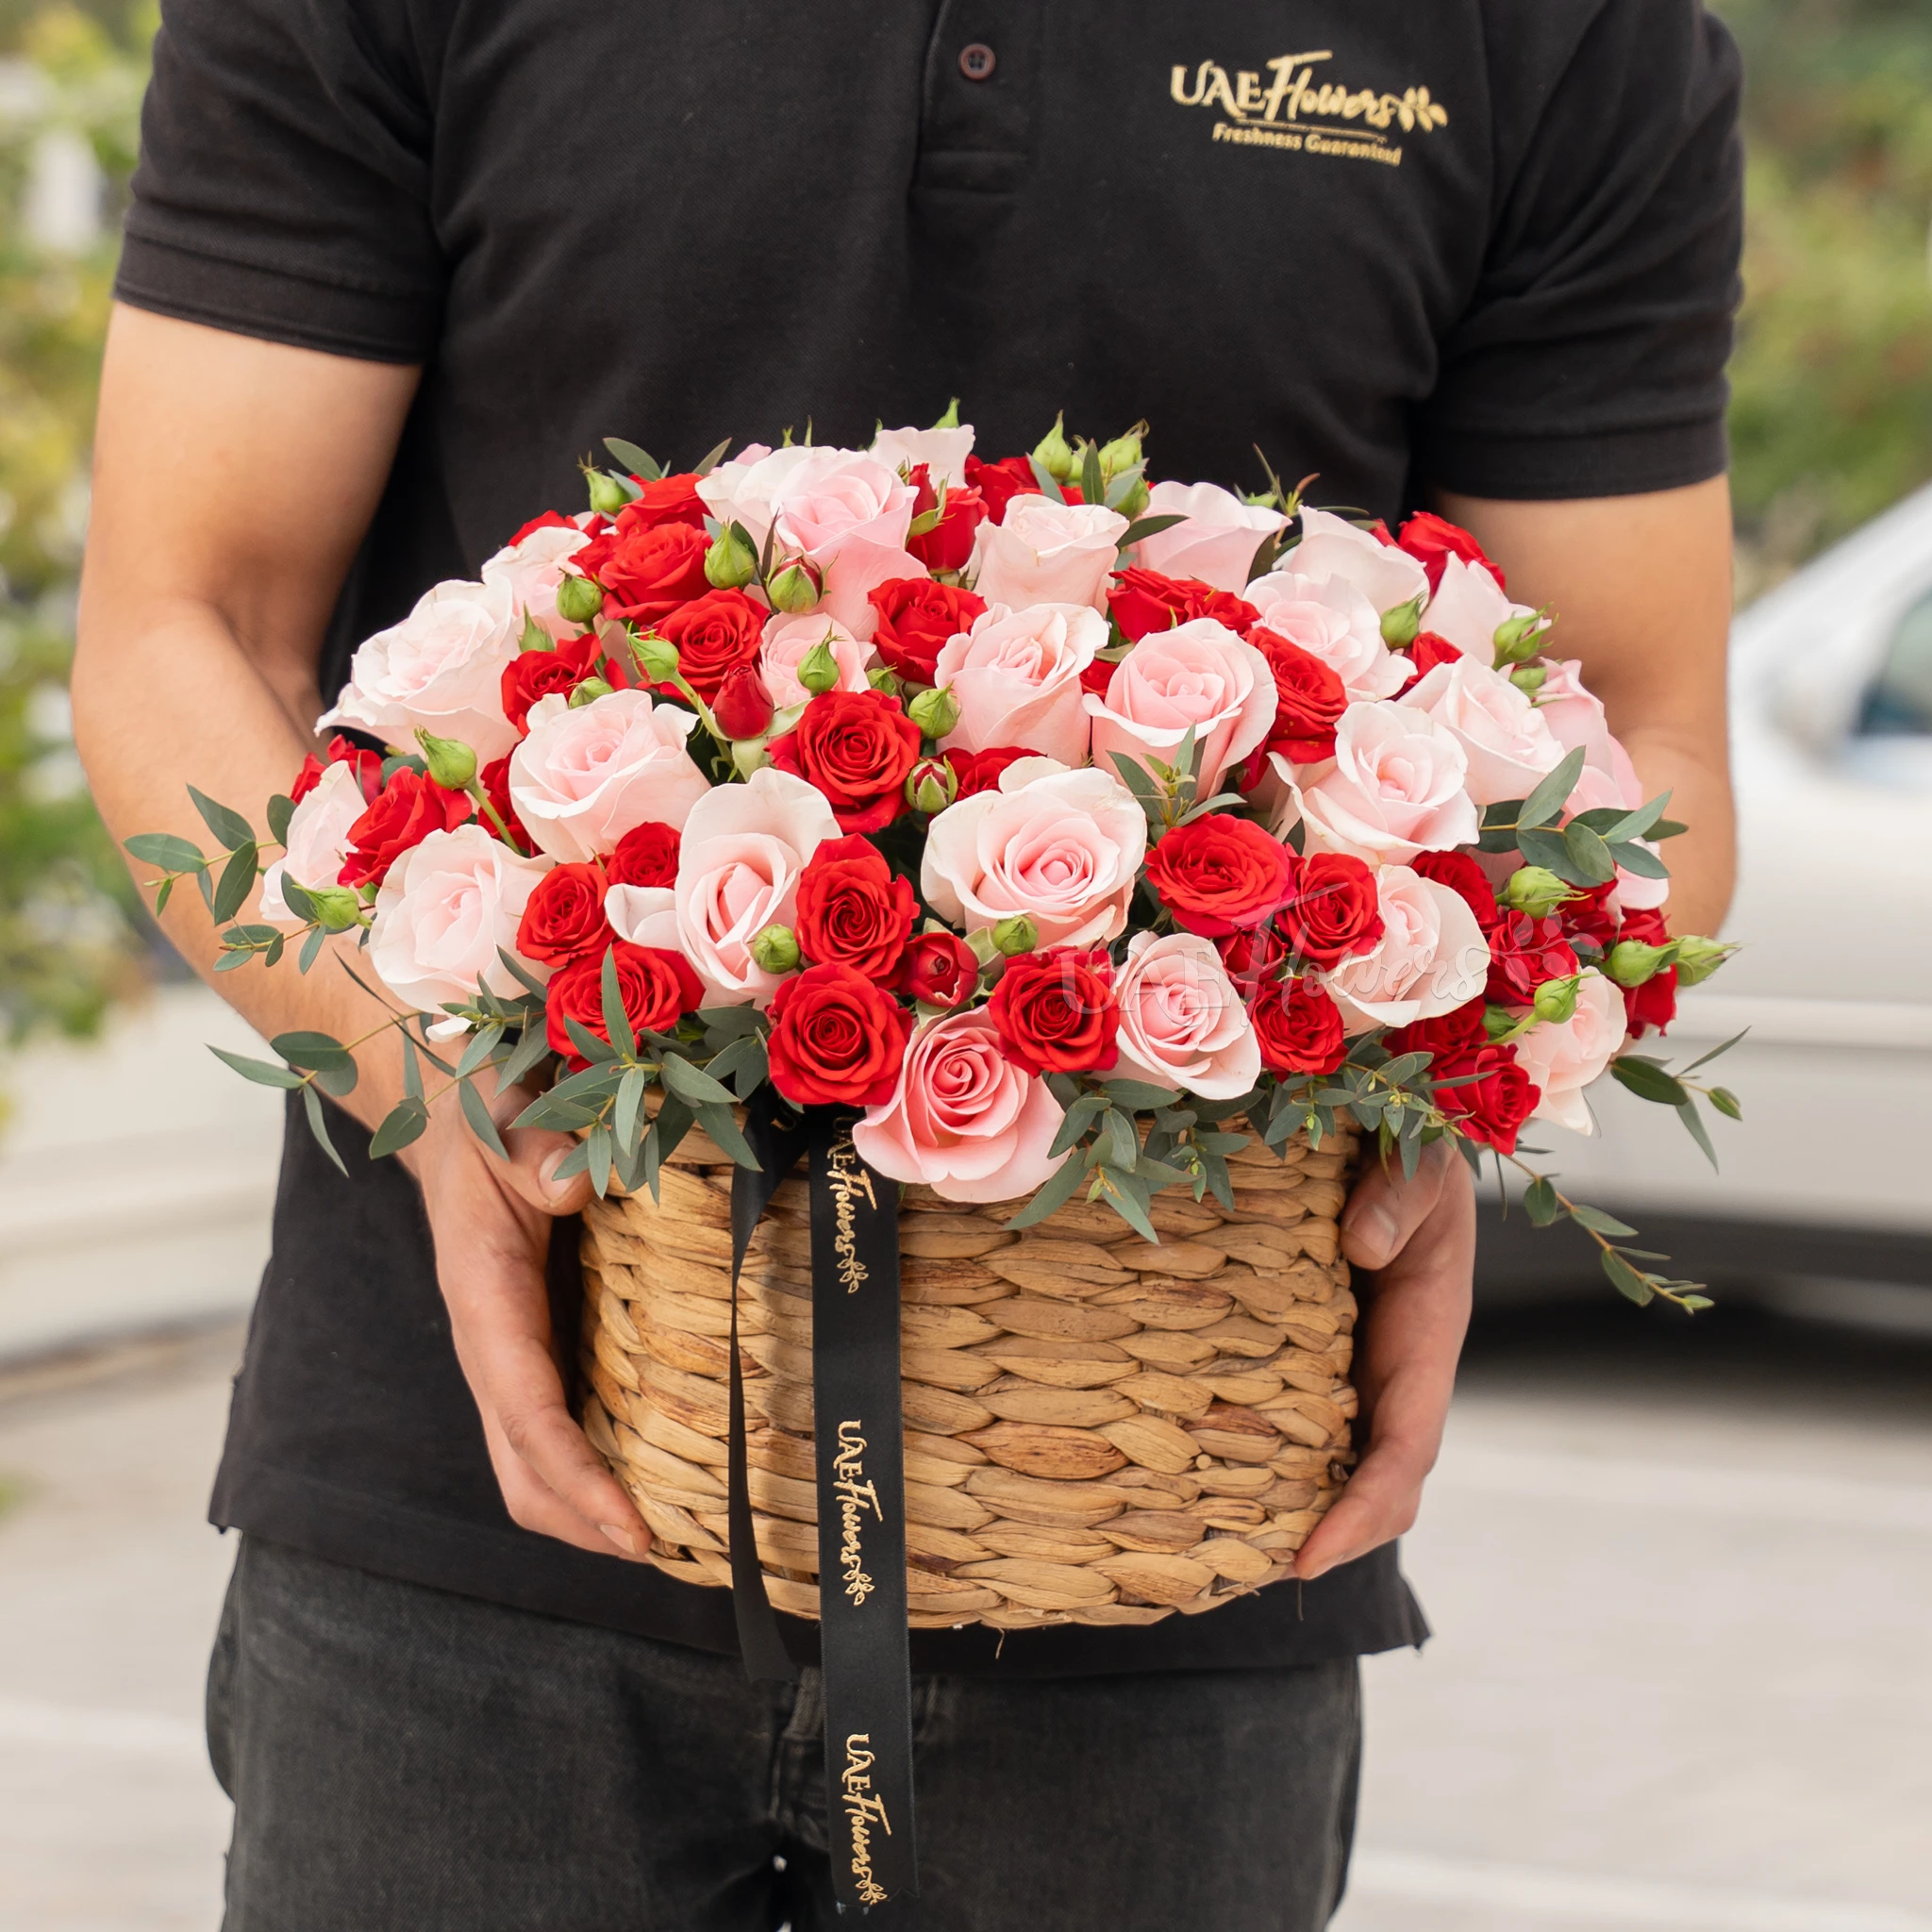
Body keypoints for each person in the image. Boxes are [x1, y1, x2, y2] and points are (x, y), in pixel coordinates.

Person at [72, 4, 1741, 1926]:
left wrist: (1461, 1093)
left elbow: (1640, 731)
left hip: (1168, 1527)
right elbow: (186, 624)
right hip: (468, 1533)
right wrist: (419, 1076)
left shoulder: (1562, 31)